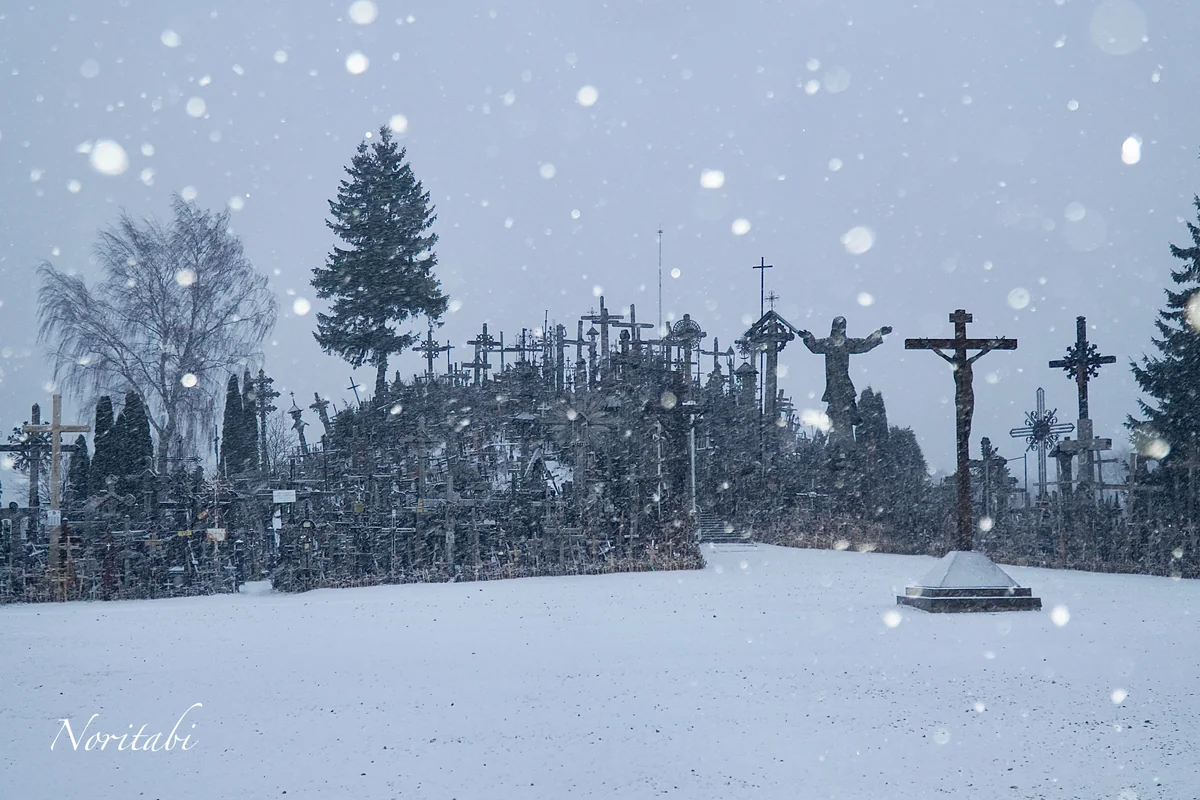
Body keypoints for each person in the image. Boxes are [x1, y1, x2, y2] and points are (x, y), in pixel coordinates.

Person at [797, 317, 892, 432]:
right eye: (838, 327)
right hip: (834, 383)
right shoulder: (830, 343)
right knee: (839, 406)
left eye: (841, 327)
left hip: (842, 382)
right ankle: (843, 426)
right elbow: (814, 346)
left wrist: (879, 333)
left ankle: (848, 421)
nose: (839, 330)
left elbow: (865, 344)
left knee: (845, 403)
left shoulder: (845, 343)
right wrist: (808, 337)